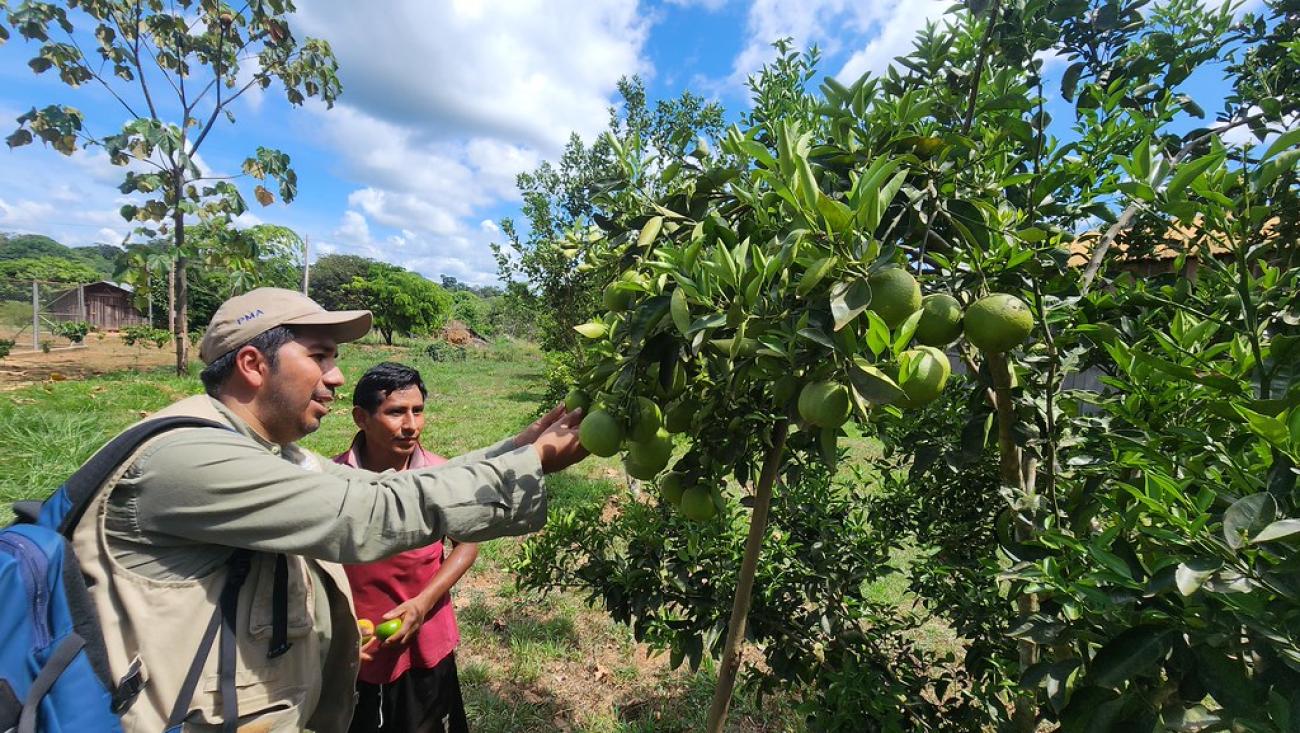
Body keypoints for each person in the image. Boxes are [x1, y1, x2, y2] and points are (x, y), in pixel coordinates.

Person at [67, 288, 586, 732]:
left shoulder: (266, 451)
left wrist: (517, 450)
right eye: (320, 356)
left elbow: (387, 486)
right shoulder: (192, 458)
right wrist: (533, 462)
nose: (336, 377)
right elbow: (366, 512)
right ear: (252, 364)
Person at [336, 363, 475, 733]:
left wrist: (422, 603)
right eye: (396, 412)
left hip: (424, 640)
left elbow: (467, 545)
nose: (411, 425)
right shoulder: (334, 481)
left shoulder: (440, 476)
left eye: (418, 410)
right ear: (361, 418)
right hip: (353, 645)